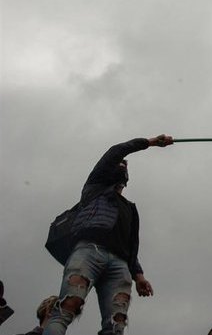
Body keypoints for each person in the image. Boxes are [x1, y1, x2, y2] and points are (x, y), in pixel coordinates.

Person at [44, 135, 173, 335]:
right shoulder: (94, 189)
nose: (121, 165)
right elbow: (116, 151)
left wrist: (139, 276)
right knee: (68, 306)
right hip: (88, 250)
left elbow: (131, 246)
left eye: (124, 165)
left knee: (116, 324)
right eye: (119, 163)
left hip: (120, 264)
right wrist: (151, 142)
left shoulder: (130, 209)